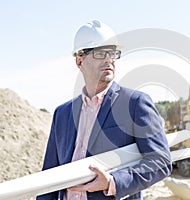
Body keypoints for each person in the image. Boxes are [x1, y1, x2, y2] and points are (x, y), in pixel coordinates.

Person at [36, 20, 172, 200]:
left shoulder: (135, 104)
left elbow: (160, 161)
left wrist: (113, 182)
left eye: (112, 53)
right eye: (100, 53)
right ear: (79, 60)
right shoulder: (62, 114)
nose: (109, 59)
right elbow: (50, 176)